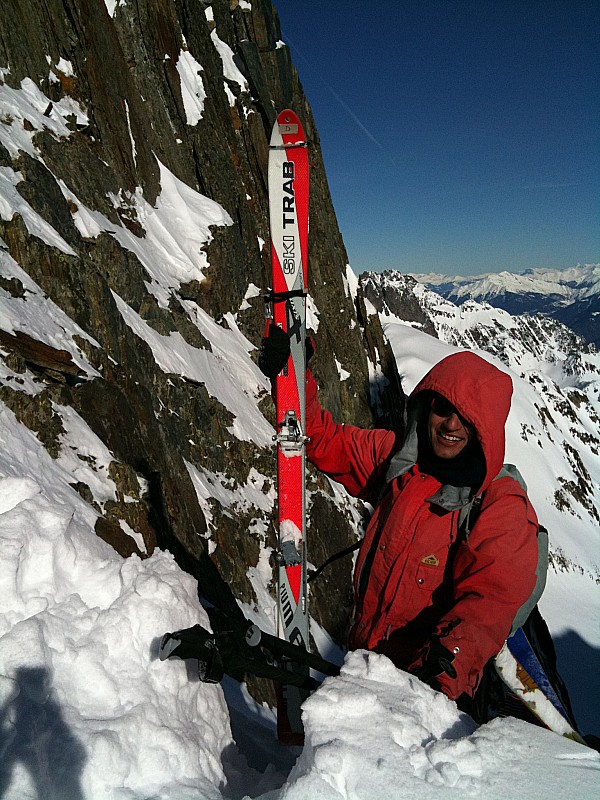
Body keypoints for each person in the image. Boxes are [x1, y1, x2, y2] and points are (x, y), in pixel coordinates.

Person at [260, 328, 539, 708]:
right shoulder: (399, 460)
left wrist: (443, 673)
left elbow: (490, 601)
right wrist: (293, 372)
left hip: (426, 697)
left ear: (485, 428)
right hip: (363, 674)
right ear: (427, 407)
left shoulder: (498, 503)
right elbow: (321, 439)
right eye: (443, 408)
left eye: (466, 418)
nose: (451, 424)